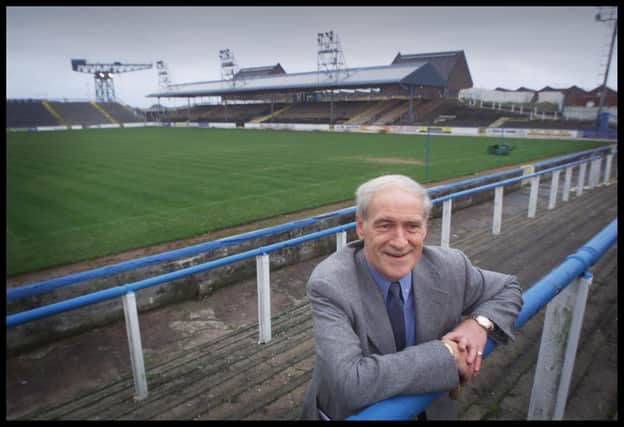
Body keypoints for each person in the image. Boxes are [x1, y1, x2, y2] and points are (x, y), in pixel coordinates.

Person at [300, 174, 523, 420]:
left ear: (425, 228)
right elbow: (351, 384)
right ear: (361, 227)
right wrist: (448, 354)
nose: (399, 241)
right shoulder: (330, 284)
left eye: (412, 226)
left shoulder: (451, 266)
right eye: (385, 225)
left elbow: (508, 288)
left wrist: (478, 324)